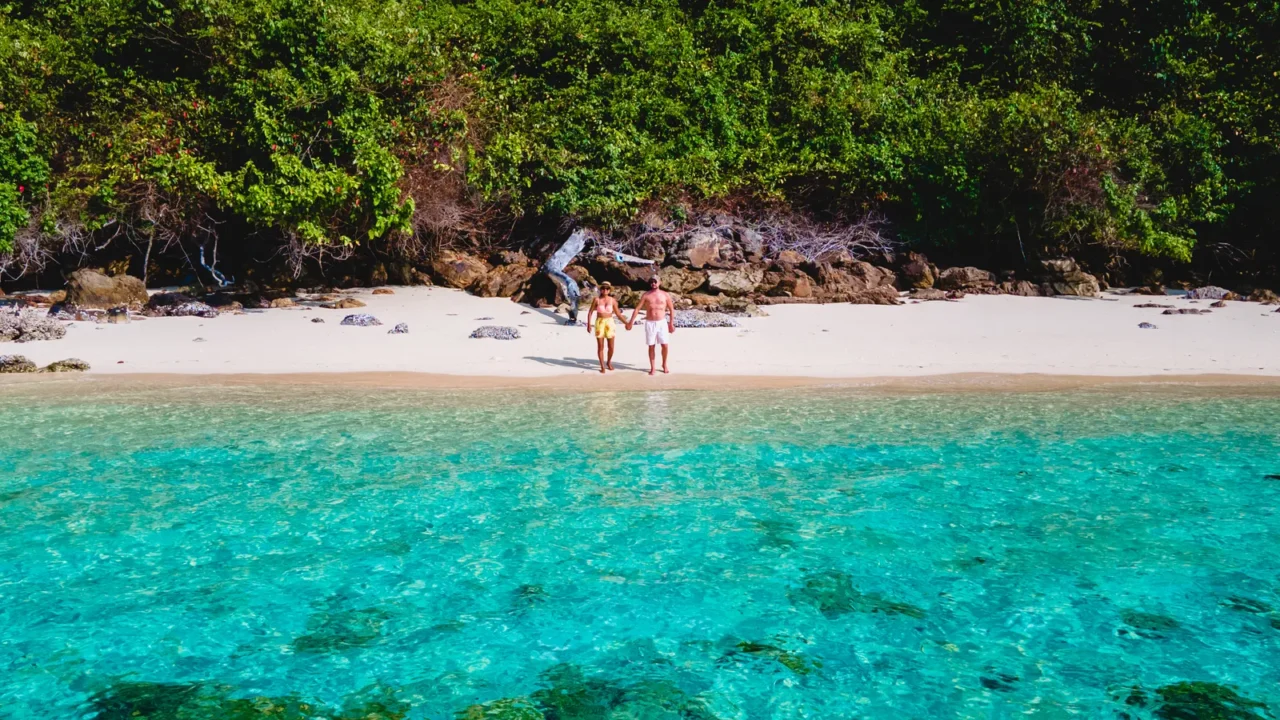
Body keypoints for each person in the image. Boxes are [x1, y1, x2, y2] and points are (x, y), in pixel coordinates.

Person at [626, 275, 676, 375]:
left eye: (655, 281)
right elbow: (637, 309)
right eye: (651, 282)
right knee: (651, 345)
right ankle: (652, 367)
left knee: (665, 345)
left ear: (659, 282)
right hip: (650, 323)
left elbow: (671, 309)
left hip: (662, 323)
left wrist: (671, 323)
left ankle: (664, 364)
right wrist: (630, 322)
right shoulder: (646, 295)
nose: (653, 283)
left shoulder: (665, 295)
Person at [585, 282, 623, 373]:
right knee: (600, 346)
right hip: (600, 322)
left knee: (611, 347)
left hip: (610, 322)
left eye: (607, 288)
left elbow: (618, 313)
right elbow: (590, 312)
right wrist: (589, 324)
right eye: (603, 288)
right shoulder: (596, 299)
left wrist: (626, 323)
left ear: (609, 290)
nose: (605, 290)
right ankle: (602, 366)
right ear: (600, 289)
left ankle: (609, 362)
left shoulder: (613, 300)